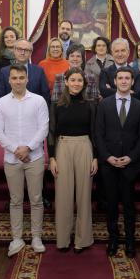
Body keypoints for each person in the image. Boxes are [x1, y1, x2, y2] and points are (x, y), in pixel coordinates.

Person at [0, 64, 49, 256]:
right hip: (12, 158)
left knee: (36, 199)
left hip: (35, 158)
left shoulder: (39, 101)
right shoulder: (0, 103)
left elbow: (44, 128)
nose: (17, 81)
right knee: (15, 200)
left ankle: (36, 236)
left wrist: (28, 148)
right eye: (14, 78)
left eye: (21, 77)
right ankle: (17, 238)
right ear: (9, 80)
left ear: (27, 79)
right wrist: (15, 149)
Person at [95, 66, 140, 258]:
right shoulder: (104, 104)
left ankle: (130, 241)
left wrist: (131, 157)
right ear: (115, 81)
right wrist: (107, 157)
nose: (124, 81)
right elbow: (98, 134)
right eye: (121, 78)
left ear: (132, 82)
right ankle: (113, 239)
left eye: (127, 78)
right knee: (111, 204)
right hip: (109, 163)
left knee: (129, 204)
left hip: (130, 164)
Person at [48, 67, 98, 254]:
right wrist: (52, 157)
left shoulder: (91, 104)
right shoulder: (56, 105)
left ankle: (82, 239)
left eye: (80, 80)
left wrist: (95, 157)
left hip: (85, 146)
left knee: (84, 195)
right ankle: (62, 239)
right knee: (63, 195)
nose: (76, 83)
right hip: (62, 147)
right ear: (66, 82)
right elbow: (51, 132)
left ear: (84, 83)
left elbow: (95, 132)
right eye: (73, 80)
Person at [0, 38, 50, 104]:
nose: (22, 52)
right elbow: (0, 96)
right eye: (19, 49)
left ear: (30, 53)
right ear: (14, 50)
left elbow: (45, 96)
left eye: (26, 50)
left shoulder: (39, 71)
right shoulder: (4, 72)